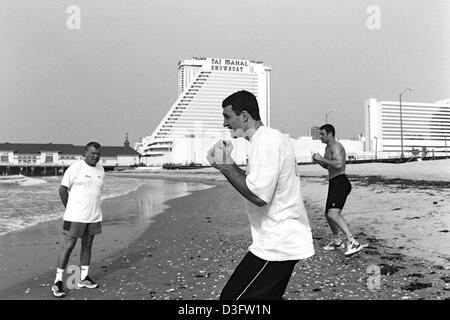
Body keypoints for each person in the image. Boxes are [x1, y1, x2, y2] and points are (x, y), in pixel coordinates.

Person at [207, 90, 314, 300]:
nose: (224, 124)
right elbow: (255, 185)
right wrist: (227, 163)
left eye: (227, 117)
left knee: (231, 300)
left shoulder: (266, 141)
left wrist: (225, 165)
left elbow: (258, 195)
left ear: (244, 116)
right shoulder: (265, 140)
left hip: (278, 243)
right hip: (278, 239)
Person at [51, 142, 105, 298]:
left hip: (94, 215)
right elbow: (62, 190)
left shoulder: (101, 169)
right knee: (68, 245)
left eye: (98, 154)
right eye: (93, 153)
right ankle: (58, 281)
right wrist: (70, 209)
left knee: (87, 245)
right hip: (75, 216)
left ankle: (83, 278)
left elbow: (96, 192)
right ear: (85, 153)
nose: (96, 156)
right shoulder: (75, 168)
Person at [312, 124, 366, 256]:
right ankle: (337, 242)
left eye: (322, 134)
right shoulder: (327, 148)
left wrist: (321, 158)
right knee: (328, 214)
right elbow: (329, 167)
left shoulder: (336, 147)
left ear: (330, 134)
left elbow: (339, 164)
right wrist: (318, 160)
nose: (320, 137)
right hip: (334, 182)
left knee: (333, 214)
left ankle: (353, 242)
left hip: (340, 182)